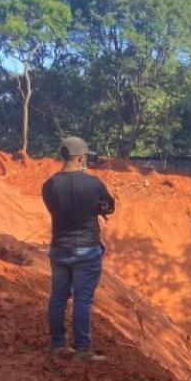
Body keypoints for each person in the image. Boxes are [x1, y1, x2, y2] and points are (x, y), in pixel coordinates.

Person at [42, 136, 115, 363]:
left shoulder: (50, 184)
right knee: (82, 300)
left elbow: (53, 208)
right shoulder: (93, 184)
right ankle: (83, 349)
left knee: (58, 298)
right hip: (87, 249)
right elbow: (110, 206)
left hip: (60, 248)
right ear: (81, 158)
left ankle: (58, 345)